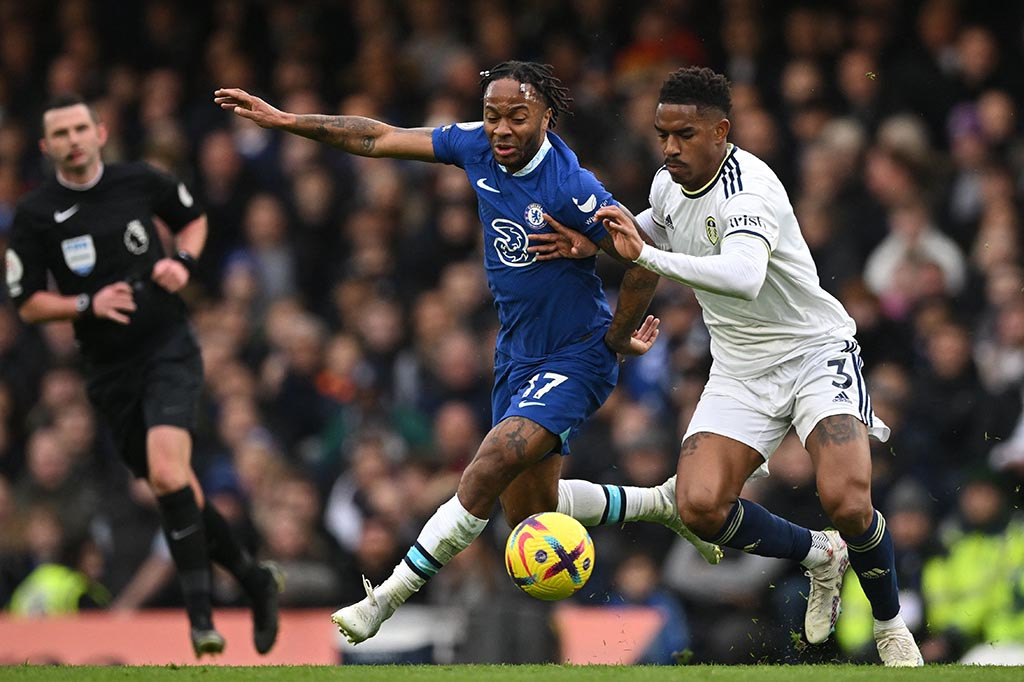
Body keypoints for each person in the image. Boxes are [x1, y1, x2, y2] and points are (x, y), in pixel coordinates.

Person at [215, 60, 722, 644]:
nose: (501, 129)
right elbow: (376, 136)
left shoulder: (571, 186)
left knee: (490, 461)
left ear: (545, 117)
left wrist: (614, 336)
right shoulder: (475, 147)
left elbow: (643, 257)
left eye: (516, 117)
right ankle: (663, 504)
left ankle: (385, 599)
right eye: (492, 115)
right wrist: (287, 121)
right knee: (529, 517)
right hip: (517, 357)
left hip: (578, 353)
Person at [529, 66, 924, 667]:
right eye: (662, 133)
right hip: (740, 367)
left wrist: (652, 256)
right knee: (699, 507)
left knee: (847, 500)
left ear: (721, 131)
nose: (669, 148)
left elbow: (743, 276)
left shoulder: (751, 188)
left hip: (814, 352)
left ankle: (891, 627)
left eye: (684, 134)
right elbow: (647, 232)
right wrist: (595, 243)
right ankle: (820, 554)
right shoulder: (667, 183)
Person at [4, 95, 282, 657]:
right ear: (46, 146)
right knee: (174, 486)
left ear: (101, 132)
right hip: (108, 371)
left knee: (165, 471)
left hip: (167, 347)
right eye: (61, 133)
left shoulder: (140, 180)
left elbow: (194, 220)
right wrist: (85, 303)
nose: (74, 139)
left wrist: (183, 262)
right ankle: (254, 580)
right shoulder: (35, 215)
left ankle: (201, 621)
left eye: (82, 128)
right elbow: (29, 303)